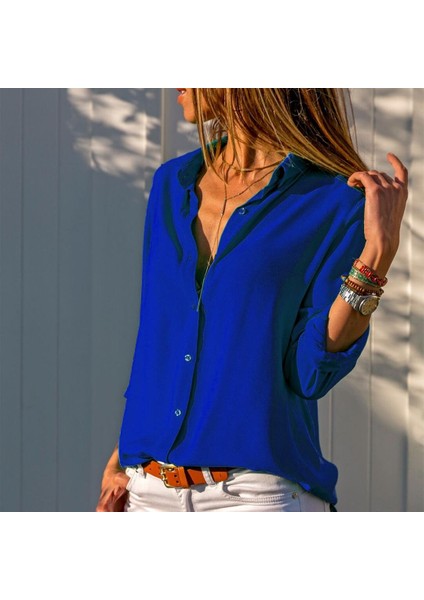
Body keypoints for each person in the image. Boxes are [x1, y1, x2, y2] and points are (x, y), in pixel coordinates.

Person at [96, 88, 408, 512]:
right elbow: (161, 340)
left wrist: (377, 255)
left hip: (253, 498)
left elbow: (310, 374)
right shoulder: (172, 184)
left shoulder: (334, 200)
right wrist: (122, 456)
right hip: (146, 492)